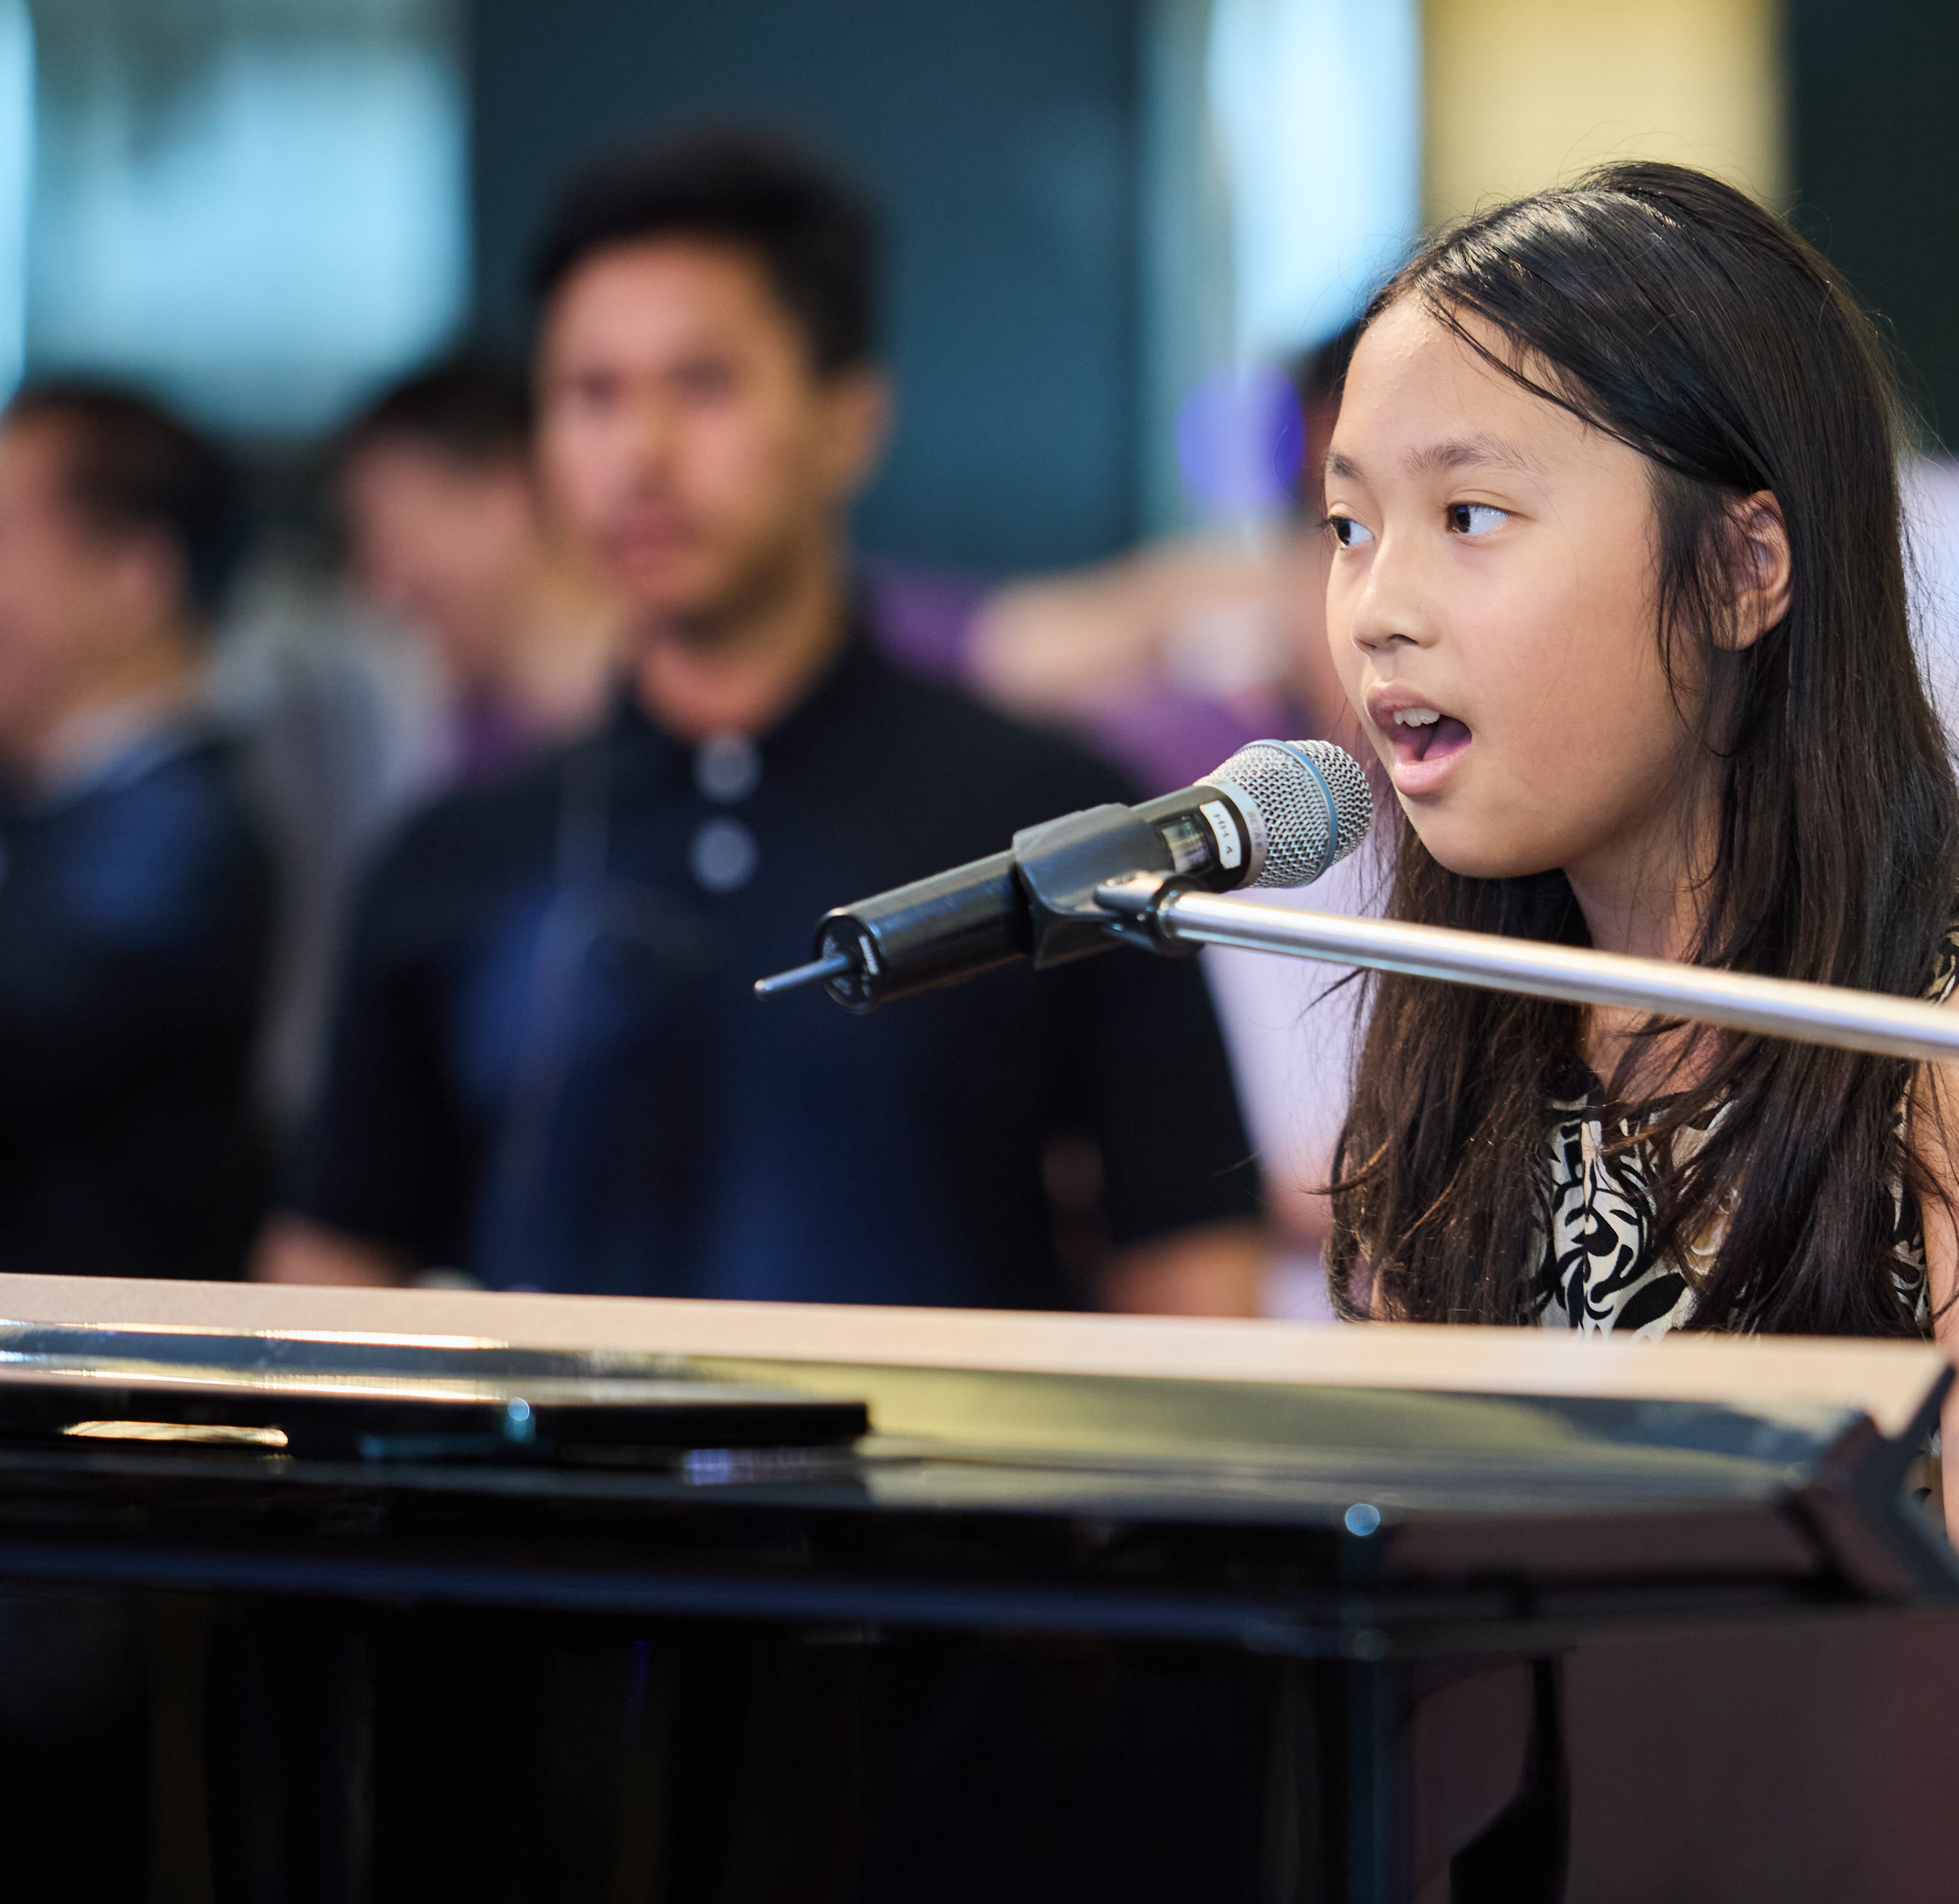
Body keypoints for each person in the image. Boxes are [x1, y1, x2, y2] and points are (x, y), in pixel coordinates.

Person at [1314, 164, 1959, 1611]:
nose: (1379, 608)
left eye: (1469, 514)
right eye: (1349, 527)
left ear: (1741, 568)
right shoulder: (1474, 1002)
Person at [260, 129, 1267, 1313]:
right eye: (592, 395)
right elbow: (326, 1273)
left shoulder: (1054, 830)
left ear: (849, 419)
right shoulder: (454, 855)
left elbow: (1196, 1273)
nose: (640, 455)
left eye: (704, 385)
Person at [0, 382, 274, 1278]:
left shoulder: (177, 834)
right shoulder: (64, 801)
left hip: (92, 1357)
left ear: (135, 574)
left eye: (7, 533)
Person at [334, 353, 619, 783]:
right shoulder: (473, 744)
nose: (380, 587)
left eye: (393, 536)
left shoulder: (686, 700)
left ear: (503, 499)